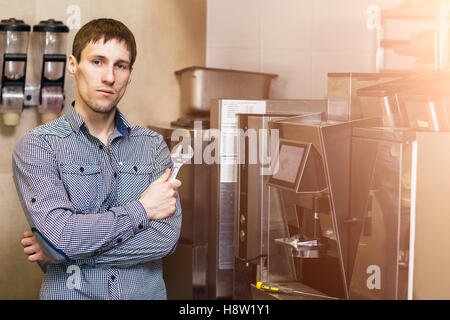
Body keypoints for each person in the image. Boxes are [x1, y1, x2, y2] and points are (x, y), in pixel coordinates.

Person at [13, 18, 182, 300]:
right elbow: (61, 236)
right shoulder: (38, 146)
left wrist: (62, 255)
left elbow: (163, 238)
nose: (109, 77)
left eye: (121, 65)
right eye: (97, 62)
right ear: (72, 65)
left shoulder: (152, 146)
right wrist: (143, 209)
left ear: (129, 74)